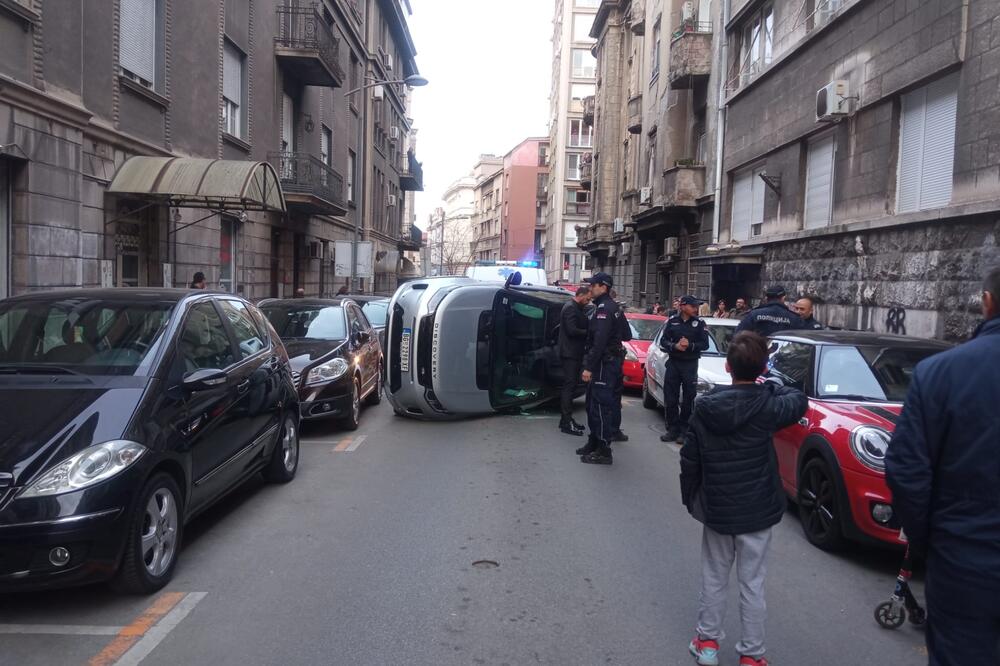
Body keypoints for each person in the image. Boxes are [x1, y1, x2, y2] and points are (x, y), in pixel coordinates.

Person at [885, 266, 1000, 666]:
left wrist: (930, 539)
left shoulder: (941, 373)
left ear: (987, 303)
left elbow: (906, 470)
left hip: (967, 561)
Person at [680, 331, 808, 666]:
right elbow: (798, 400)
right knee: (752, 584)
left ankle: (707, 643)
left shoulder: (705, 408)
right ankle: (752, 656)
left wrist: (691, 498)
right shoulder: (768, 404)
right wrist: (770, 382)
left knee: (714, 576)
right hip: (757, 509)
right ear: (763, 366)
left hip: (718, 507)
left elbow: (690, 459)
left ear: (727, 366)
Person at [577, 272, 629, 465]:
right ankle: (594, 441)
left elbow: (599, 342)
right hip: (610, 361)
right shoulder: (612, 307)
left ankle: (604, 450)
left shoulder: (604, 309)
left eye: (593, 285)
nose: (590, 288)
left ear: (603, 287)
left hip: (603, 364)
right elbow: (627, 334)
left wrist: (589, 367)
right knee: (592, 403)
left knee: (599, 406)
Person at [659, 295, 710, 443]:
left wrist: (690, 346)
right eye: (692, 306)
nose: (695, 309)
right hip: (674, 363)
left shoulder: (700, 323)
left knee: (688, 398)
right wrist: (674, 346)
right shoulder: (672, 321)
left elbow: (705, 344)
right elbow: (663, 340)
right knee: (671, 397)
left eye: (696, 306)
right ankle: (672, 429)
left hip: (690, 364)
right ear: (682, 306)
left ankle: (684, 430)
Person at [558, 285, 592, 436]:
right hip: (570, 353)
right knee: (569, 386)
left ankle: (567, 419)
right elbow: (572, 330)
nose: (588, 301)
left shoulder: (575, 307)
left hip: (574, 352)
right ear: (581, 294)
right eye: (588, 298)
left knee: (571, 385)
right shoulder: (571, 308)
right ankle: (566, 421)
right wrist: (589, 332)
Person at [734, 286, 806, 336]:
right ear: (783, 298)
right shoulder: (794, 318)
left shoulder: (754, 314)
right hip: (785, 356)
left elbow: (738, 335)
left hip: (757, 355)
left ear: (766, 298)